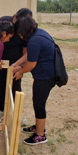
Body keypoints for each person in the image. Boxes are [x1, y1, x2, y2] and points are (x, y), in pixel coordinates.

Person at [13, 17, 55, 145]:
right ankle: (38, 127)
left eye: (19, 33)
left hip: (45, 77)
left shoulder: (34, 41)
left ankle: (40, 135)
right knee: (38, 101)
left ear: (24, 31)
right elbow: (29, 54)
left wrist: (20, 71)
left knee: (39, 103)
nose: (19, 36)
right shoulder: (38, 34)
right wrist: (17, 63)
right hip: (46, 74)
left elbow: (31, 64)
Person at [0, 8, 33, 124]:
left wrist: (22, 66)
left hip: (16, 62)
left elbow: (25, 50)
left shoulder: (25, 28)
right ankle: (1, 110)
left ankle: (19, 112)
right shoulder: (3, 22)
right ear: (15, 16)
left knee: (16, 87)